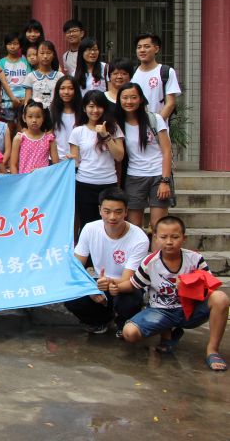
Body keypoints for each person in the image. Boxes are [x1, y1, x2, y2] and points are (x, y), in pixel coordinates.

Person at [111, 216, 228, 371]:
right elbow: (133, 284)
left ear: (184, 238)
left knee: (221, 298)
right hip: (161, 311)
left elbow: (210, 287)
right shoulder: (149, 263)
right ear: (155, 237)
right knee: (129, 333)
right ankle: (168, 334)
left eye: (175, 237)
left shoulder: (195, 259)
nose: (169, 242)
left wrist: (189, 285)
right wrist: (115, 287)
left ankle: (212, 350)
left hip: (190, 310)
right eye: (163, 237)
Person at [64, 187, 148, 335]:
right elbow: (76, 267)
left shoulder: (139, 238)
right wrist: (89, 288)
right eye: (107, 211)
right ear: (100, 210)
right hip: (100, 282)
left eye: (118, 212)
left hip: (127, 285)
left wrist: (107, 283)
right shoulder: (90, 229)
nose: (112, 217)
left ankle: (124, 323)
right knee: (71, 296)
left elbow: (128, 280)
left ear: (126, 212)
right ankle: (100, 321)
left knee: (129, 301)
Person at [116, 82, 174, 233]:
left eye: (133, 97)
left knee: (157, 226)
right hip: (134, 177)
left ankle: (155, 250)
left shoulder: (154, 119)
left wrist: (165, 181)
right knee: (134, 227)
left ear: (141, 99)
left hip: (158, 176)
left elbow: (167, 151)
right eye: (125, 98)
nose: (129, 101)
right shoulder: (117, 124)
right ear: (119, 100)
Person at [69, 90, 126, 233]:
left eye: (99, 106)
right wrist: (70, 159)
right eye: (91, 106)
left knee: (108, 225)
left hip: (108, 184)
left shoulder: (114, 128)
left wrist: (105, 135)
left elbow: (119, 156)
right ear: (84, 108)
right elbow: (76, 161)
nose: (95, 110)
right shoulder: (78, 131)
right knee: (87, 225)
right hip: (84, 183)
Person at [131, 33, 181, 124]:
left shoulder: (166, 72)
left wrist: (155, 125)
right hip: (134, 126)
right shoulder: (131, 73)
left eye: (146, 46)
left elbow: (170, 103)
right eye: (139, 47)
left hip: (158, 129)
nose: (142, 50)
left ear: (156, 49)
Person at [10, 100, 58, 174]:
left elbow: (56, 165)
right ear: (24, 118)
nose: (34, 120)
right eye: (30, 116)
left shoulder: (49, 139)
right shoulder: (19, 138)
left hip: (43, 179)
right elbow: (13, 165)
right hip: (24, 179)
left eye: (38, 117)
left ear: (43, 118)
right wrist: (17, 180)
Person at [0, 32, 30, 121]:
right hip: (8, 101)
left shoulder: (26, 61)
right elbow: (3, 82)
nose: (12, 47)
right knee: (8, 127)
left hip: (24, 101)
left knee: (23, 126)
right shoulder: (0, 62)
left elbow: (29, 82)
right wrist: (13, 98)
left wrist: (26, 100)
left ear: (20, 45)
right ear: (5, 45)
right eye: (9, 44)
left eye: (15, 44)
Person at [21, 40, 63, 109]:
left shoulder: (60, 76)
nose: (45, 56)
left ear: (53, 55)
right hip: (36, 114)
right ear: (37, 55)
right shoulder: (30, 76)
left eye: (48, 53)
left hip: (55, 113)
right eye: (42, 53)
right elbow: (27, 101)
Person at [50, 76, 81, 161]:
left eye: (70, 88)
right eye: (62, 88)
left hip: (78, 160)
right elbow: (49, 137)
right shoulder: (51, 112)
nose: (66, 92)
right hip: (56, 160)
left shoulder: (83, 112)